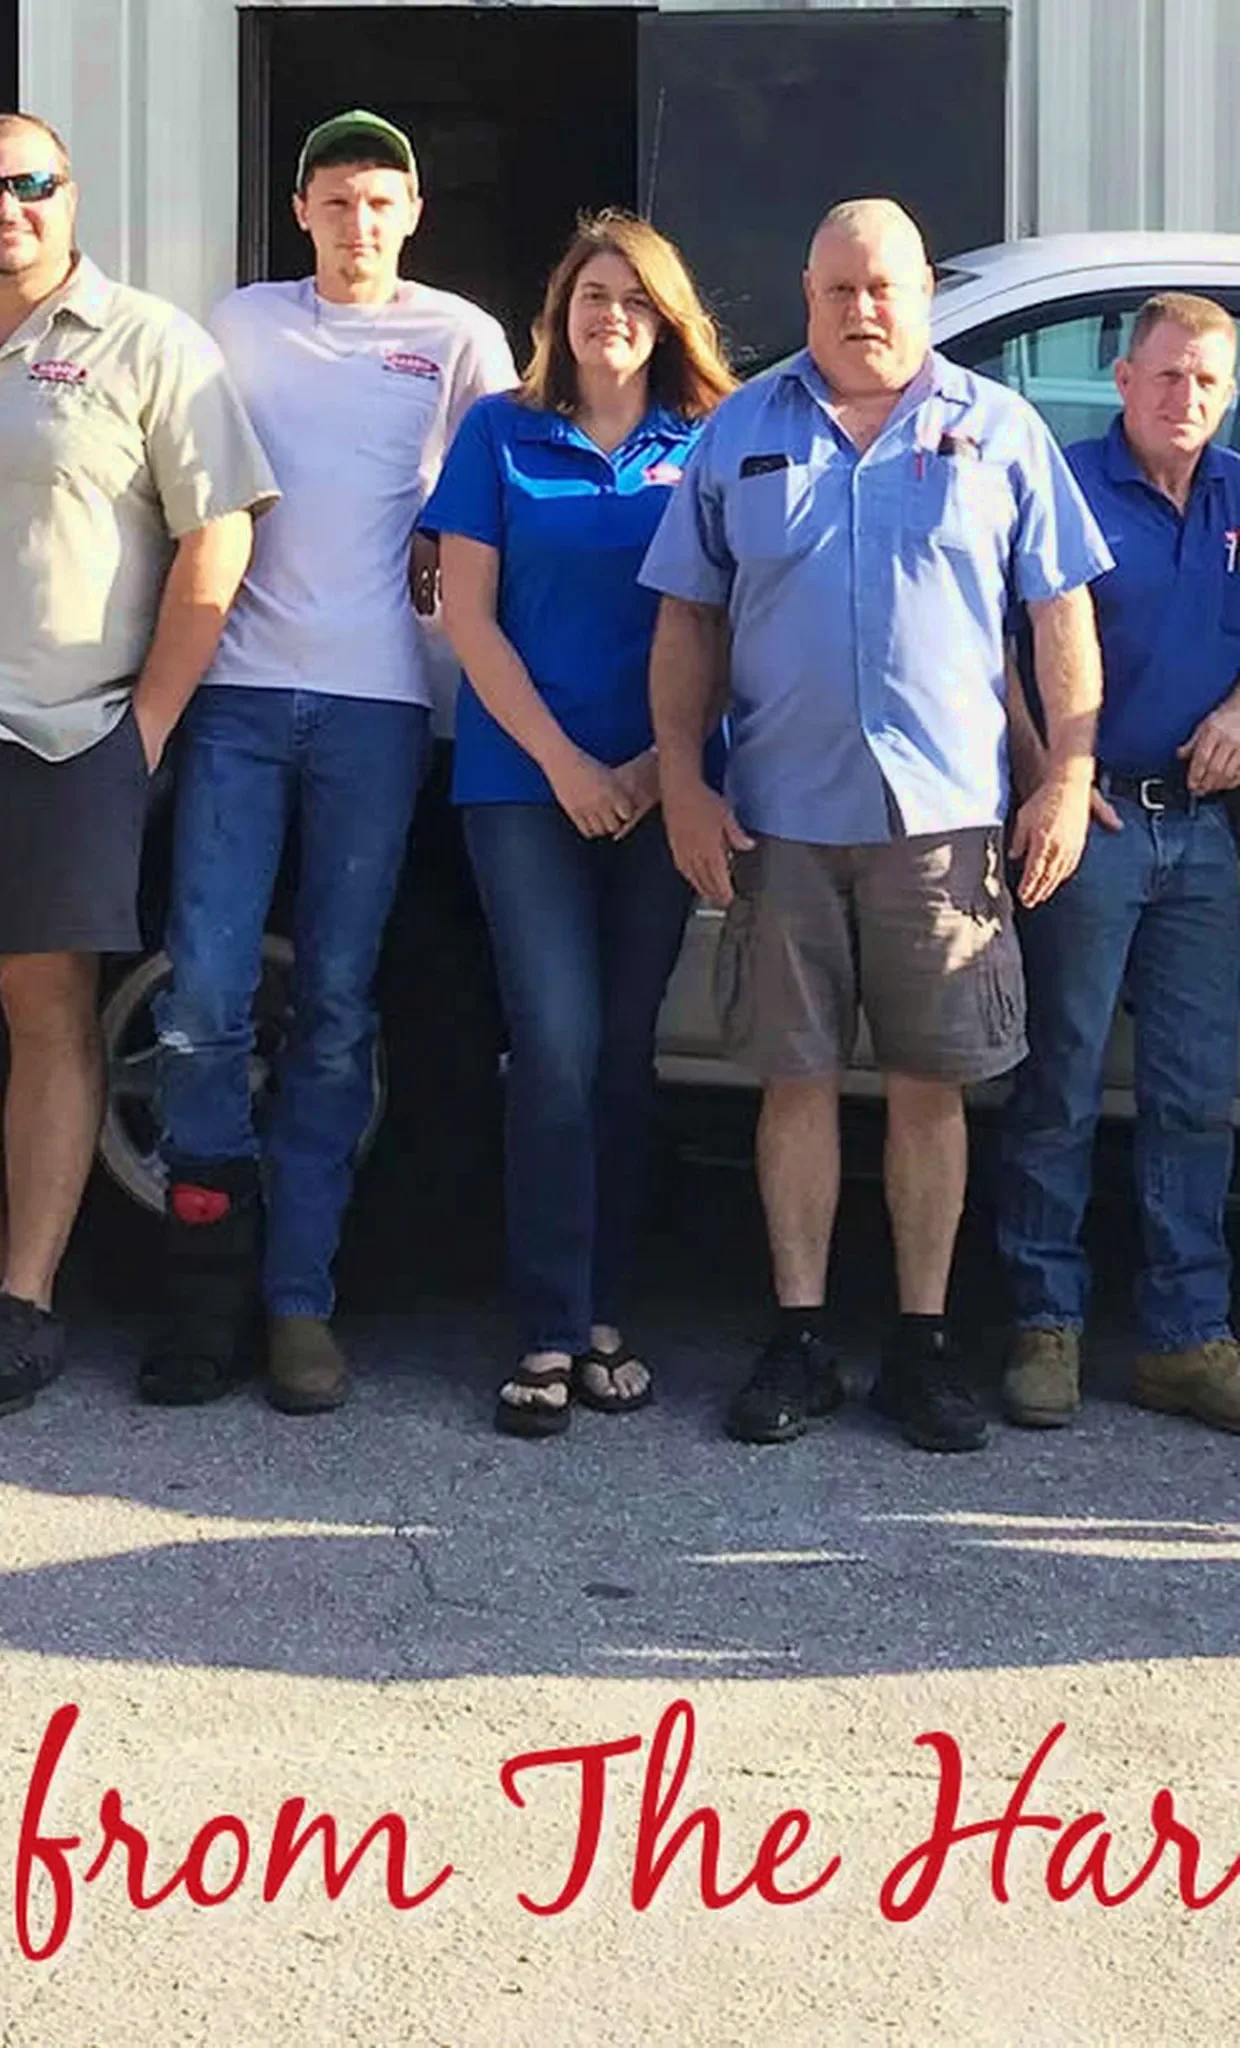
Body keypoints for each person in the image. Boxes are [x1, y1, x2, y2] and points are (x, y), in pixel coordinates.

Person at [0, 111, 276, 1423]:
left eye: (28, 184)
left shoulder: (149, 343)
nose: (2, 207)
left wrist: (150, 722)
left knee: (45, 1015)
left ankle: (27, 1300)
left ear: (70, 197)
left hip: (68, 731)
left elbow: (218, 533)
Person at [641, 197, 1111, 1455]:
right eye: (838, 288)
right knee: (790, 1081)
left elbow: (1057, 615)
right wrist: (681, 777)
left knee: (928, 1087)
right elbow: (686, 618)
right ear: (807, 294)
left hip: (941, 826)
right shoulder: (739, 431)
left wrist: (1063, 774)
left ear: (920, 294)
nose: (861, 309)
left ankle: (920, 1344)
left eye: (883, 286)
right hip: (778, 819)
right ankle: (797, 1337)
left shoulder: (998, 429)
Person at [139, 110, 517, 1415]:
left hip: (377, 705)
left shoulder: (457, 337)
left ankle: (300, 1300)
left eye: (382, 200)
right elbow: (174, 477)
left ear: (413, 213)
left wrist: (444, 534)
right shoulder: (237, 324)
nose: (360, 222)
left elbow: (499, 480)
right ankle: (205, 1293)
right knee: (203, 994)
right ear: (300, 208)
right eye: (338, 200)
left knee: (339, 1006)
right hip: (237, 696)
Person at [424, 211, 734, 1439]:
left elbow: (735, 619)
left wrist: (657, 769)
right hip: (523, 785)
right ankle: (546, 1326)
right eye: (591, 295)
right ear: (557, 311)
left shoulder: (708, 441)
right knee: (550, 1043)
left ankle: (606, 1315)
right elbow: (468, 613)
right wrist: (565, 766)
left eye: (634, 299)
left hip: (664, 787)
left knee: (619, 1048)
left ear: (667, 320)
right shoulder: (498, 431)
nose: (611, 316)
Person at [997, 294, 1240, 1434]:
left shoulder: (1238, 493)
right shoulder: (1067, 487)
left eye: (1205, 380)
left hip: (1203, 831)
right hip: (1088, 822)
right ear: (1122, 378)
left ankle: (1186, 1336)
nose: (1183, 396)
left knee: (1195, 1094)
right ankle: (1041, 1321)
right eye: (1165, 374)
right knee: (1060, 1077)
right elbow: (999, 647)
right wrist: (1045, 772)